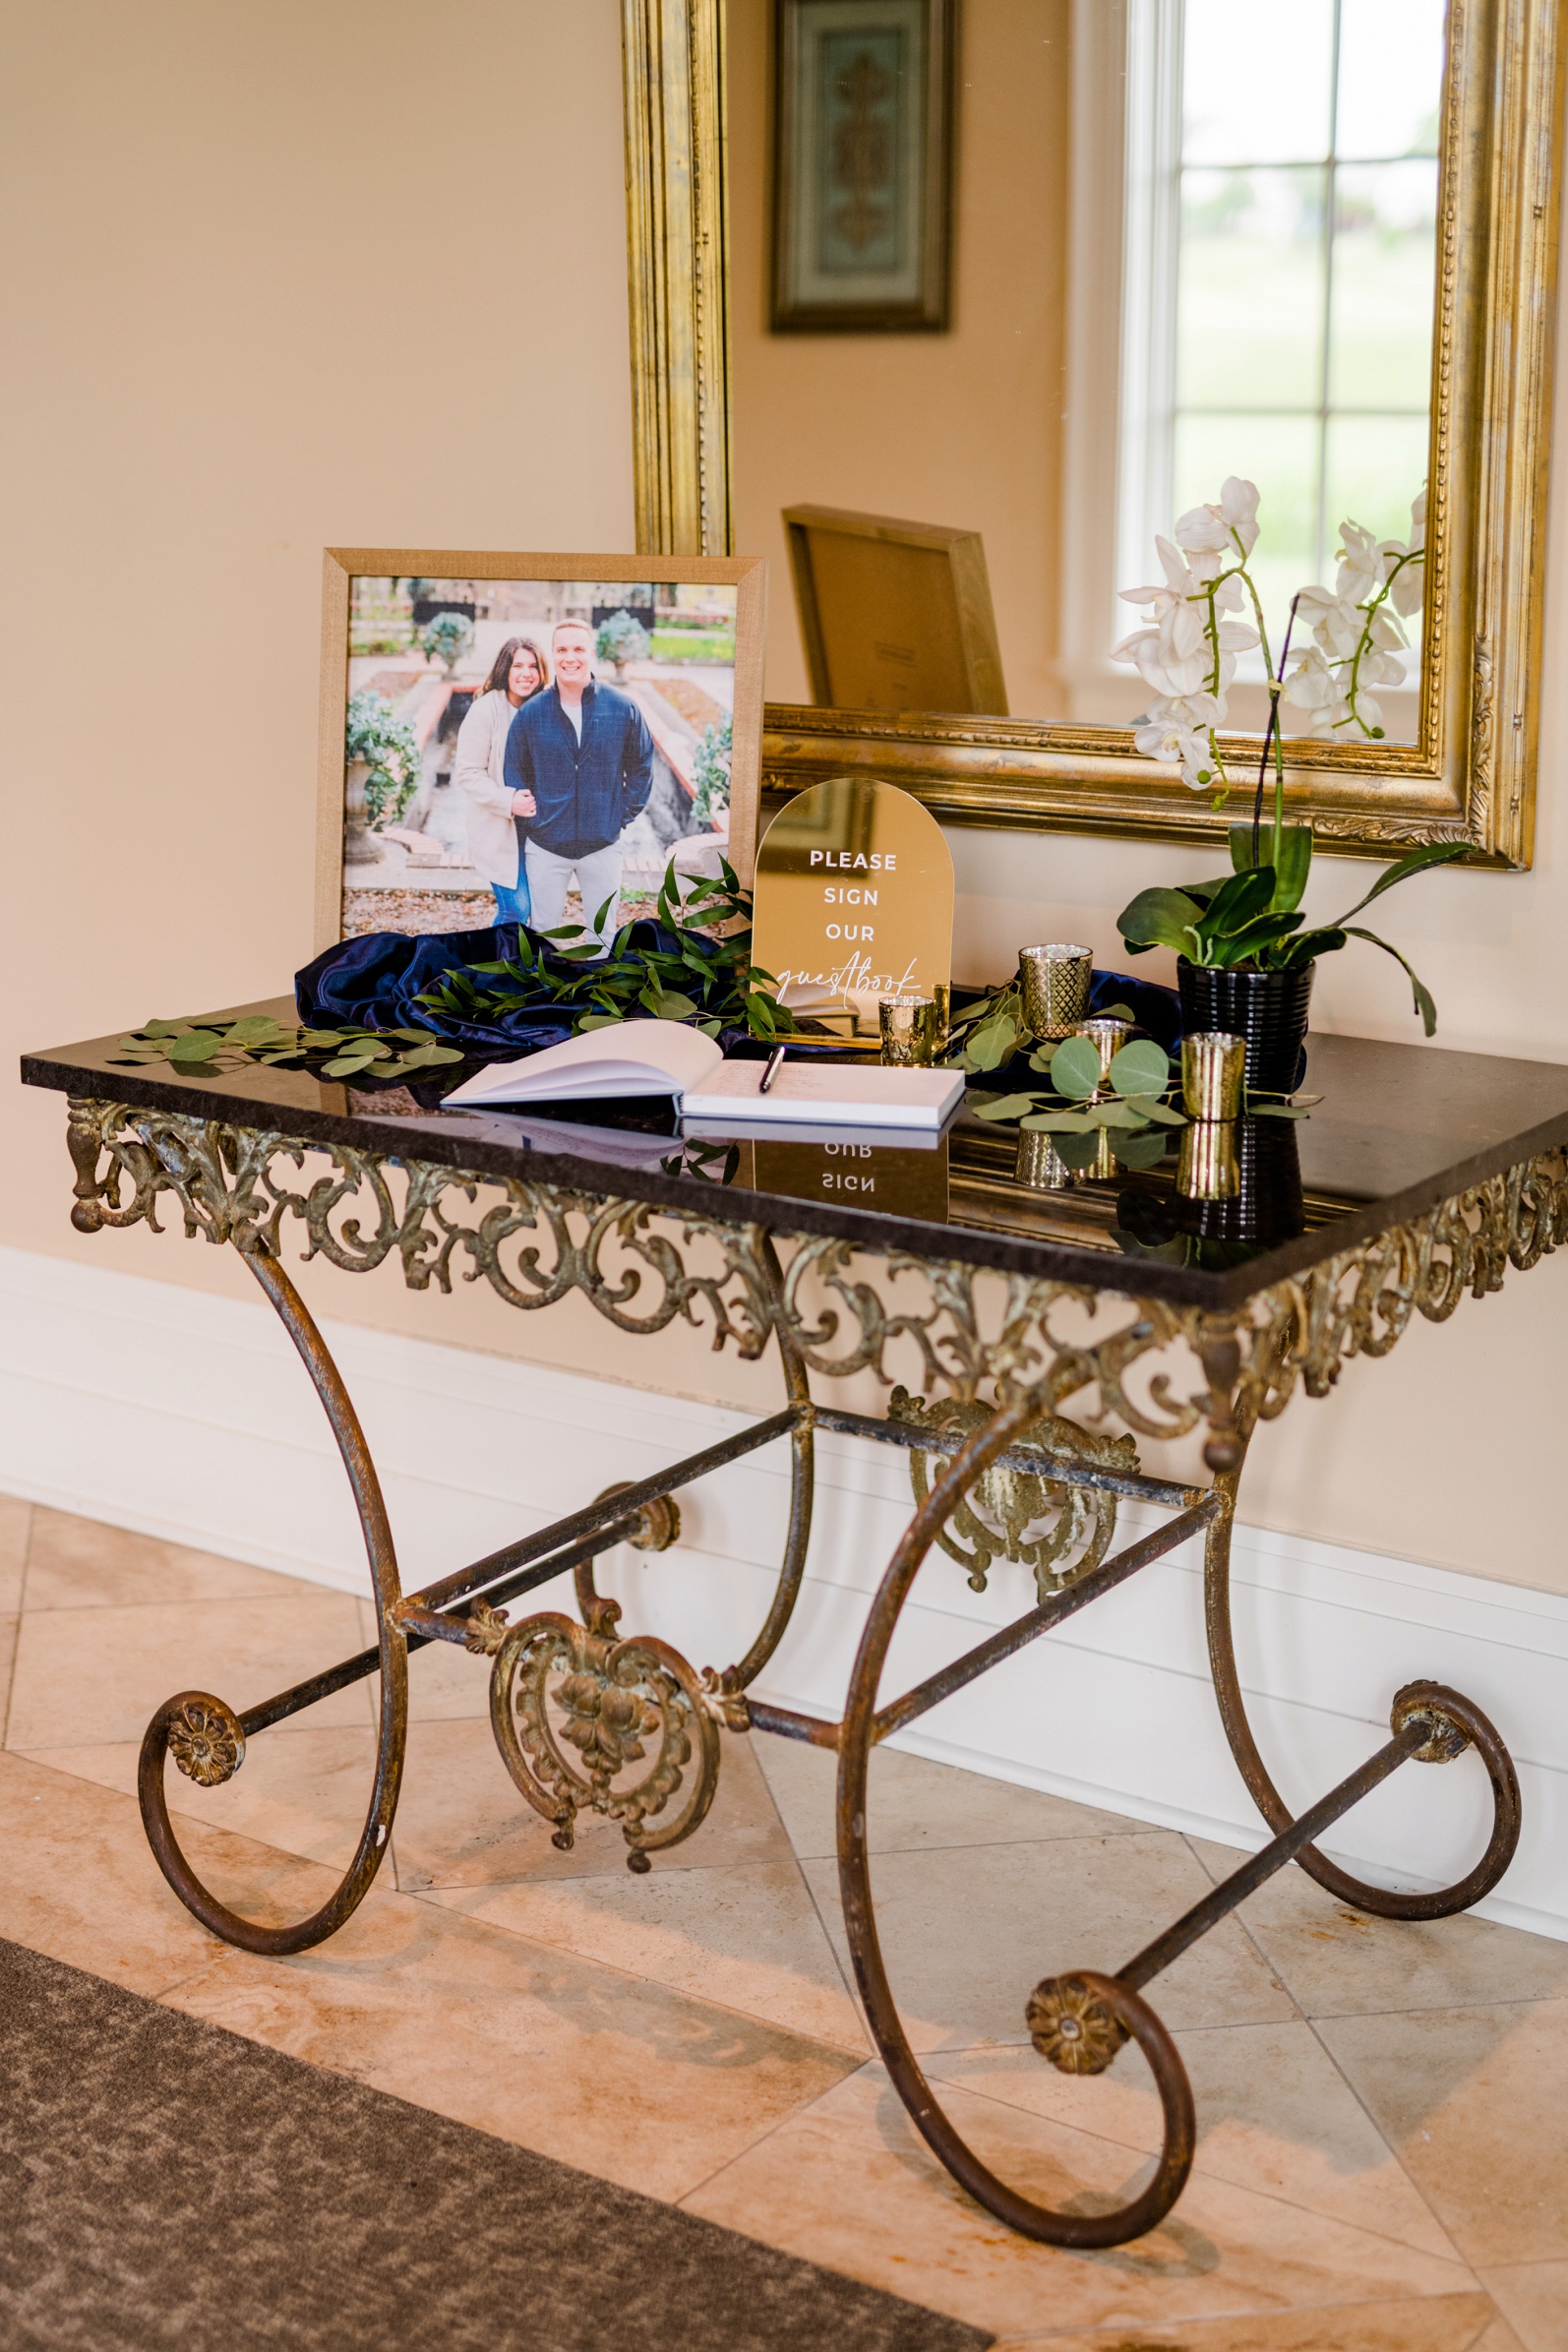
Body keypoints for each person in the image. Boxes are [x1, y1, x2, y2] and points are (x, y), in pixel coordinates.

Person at [503, 617, 655, 950]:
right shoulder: (531, 713)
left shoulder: (622, 708)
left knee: (603, 937)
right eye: (561, 650)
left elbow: (642, 767)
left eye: (578, 649)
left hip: (602, 846)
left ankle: (599, 984)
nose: (569, 658)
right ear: (553, 654)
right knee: (543, 935)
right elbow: (514, 769)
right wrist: (533, 816)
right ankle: (546, 986)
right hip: (545, 846)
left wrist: (618, 816)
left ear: (592, 653)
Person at [452, 635, 547, 927]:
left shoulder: (546, 708)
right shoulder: (485, 710)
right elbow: (468, 773)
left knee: (539, 908)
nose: (526, 673)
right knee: (516, 909)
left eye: (533, 666)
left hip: (539, 828)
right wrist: (509, 800)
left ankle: (524, 956)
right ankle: (495, 958)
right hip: (500, 827)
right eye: (518, 665)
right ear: (505, 669)